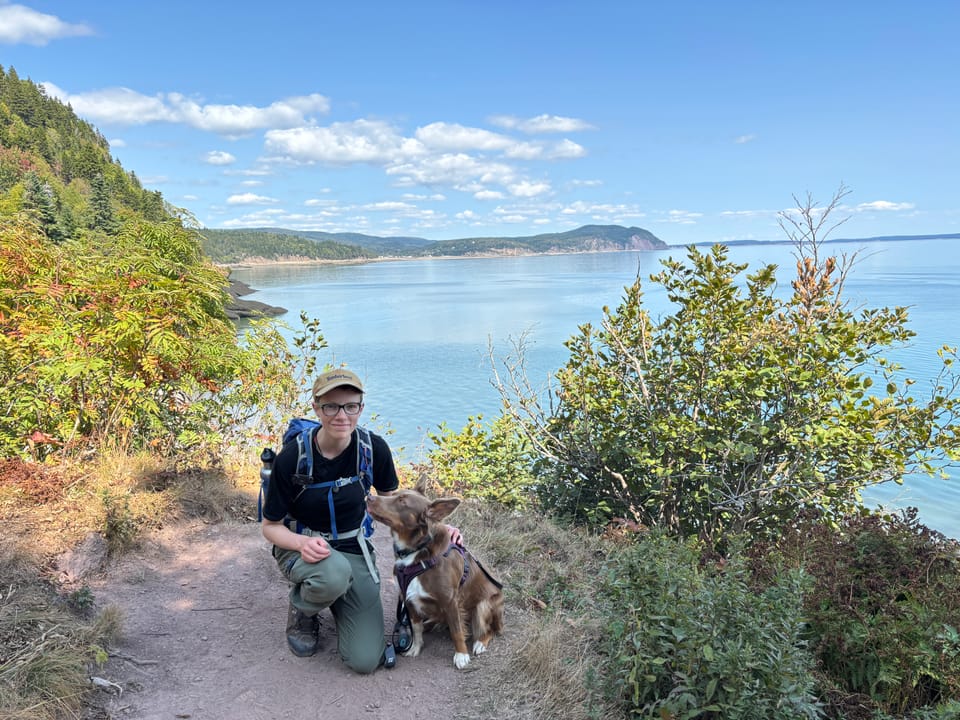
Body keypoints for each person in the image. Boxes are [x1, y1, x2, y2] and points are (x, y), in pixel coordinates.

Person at [260, 368, 399, 673]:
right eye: (331, 406)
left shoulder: (373, 450)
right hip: (302, 547)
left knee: (365, 660)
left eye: (351, 406)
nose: (342, 416)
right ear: (316, 408)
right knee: (333, 573)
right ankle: (304, 607)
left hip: (352, 547)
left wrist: (438, 529)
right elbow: (270, 527)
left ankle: (332, 595)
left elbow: (395, 505)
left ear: (361, 408)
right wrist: (302, 542)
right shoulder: (292, 458)